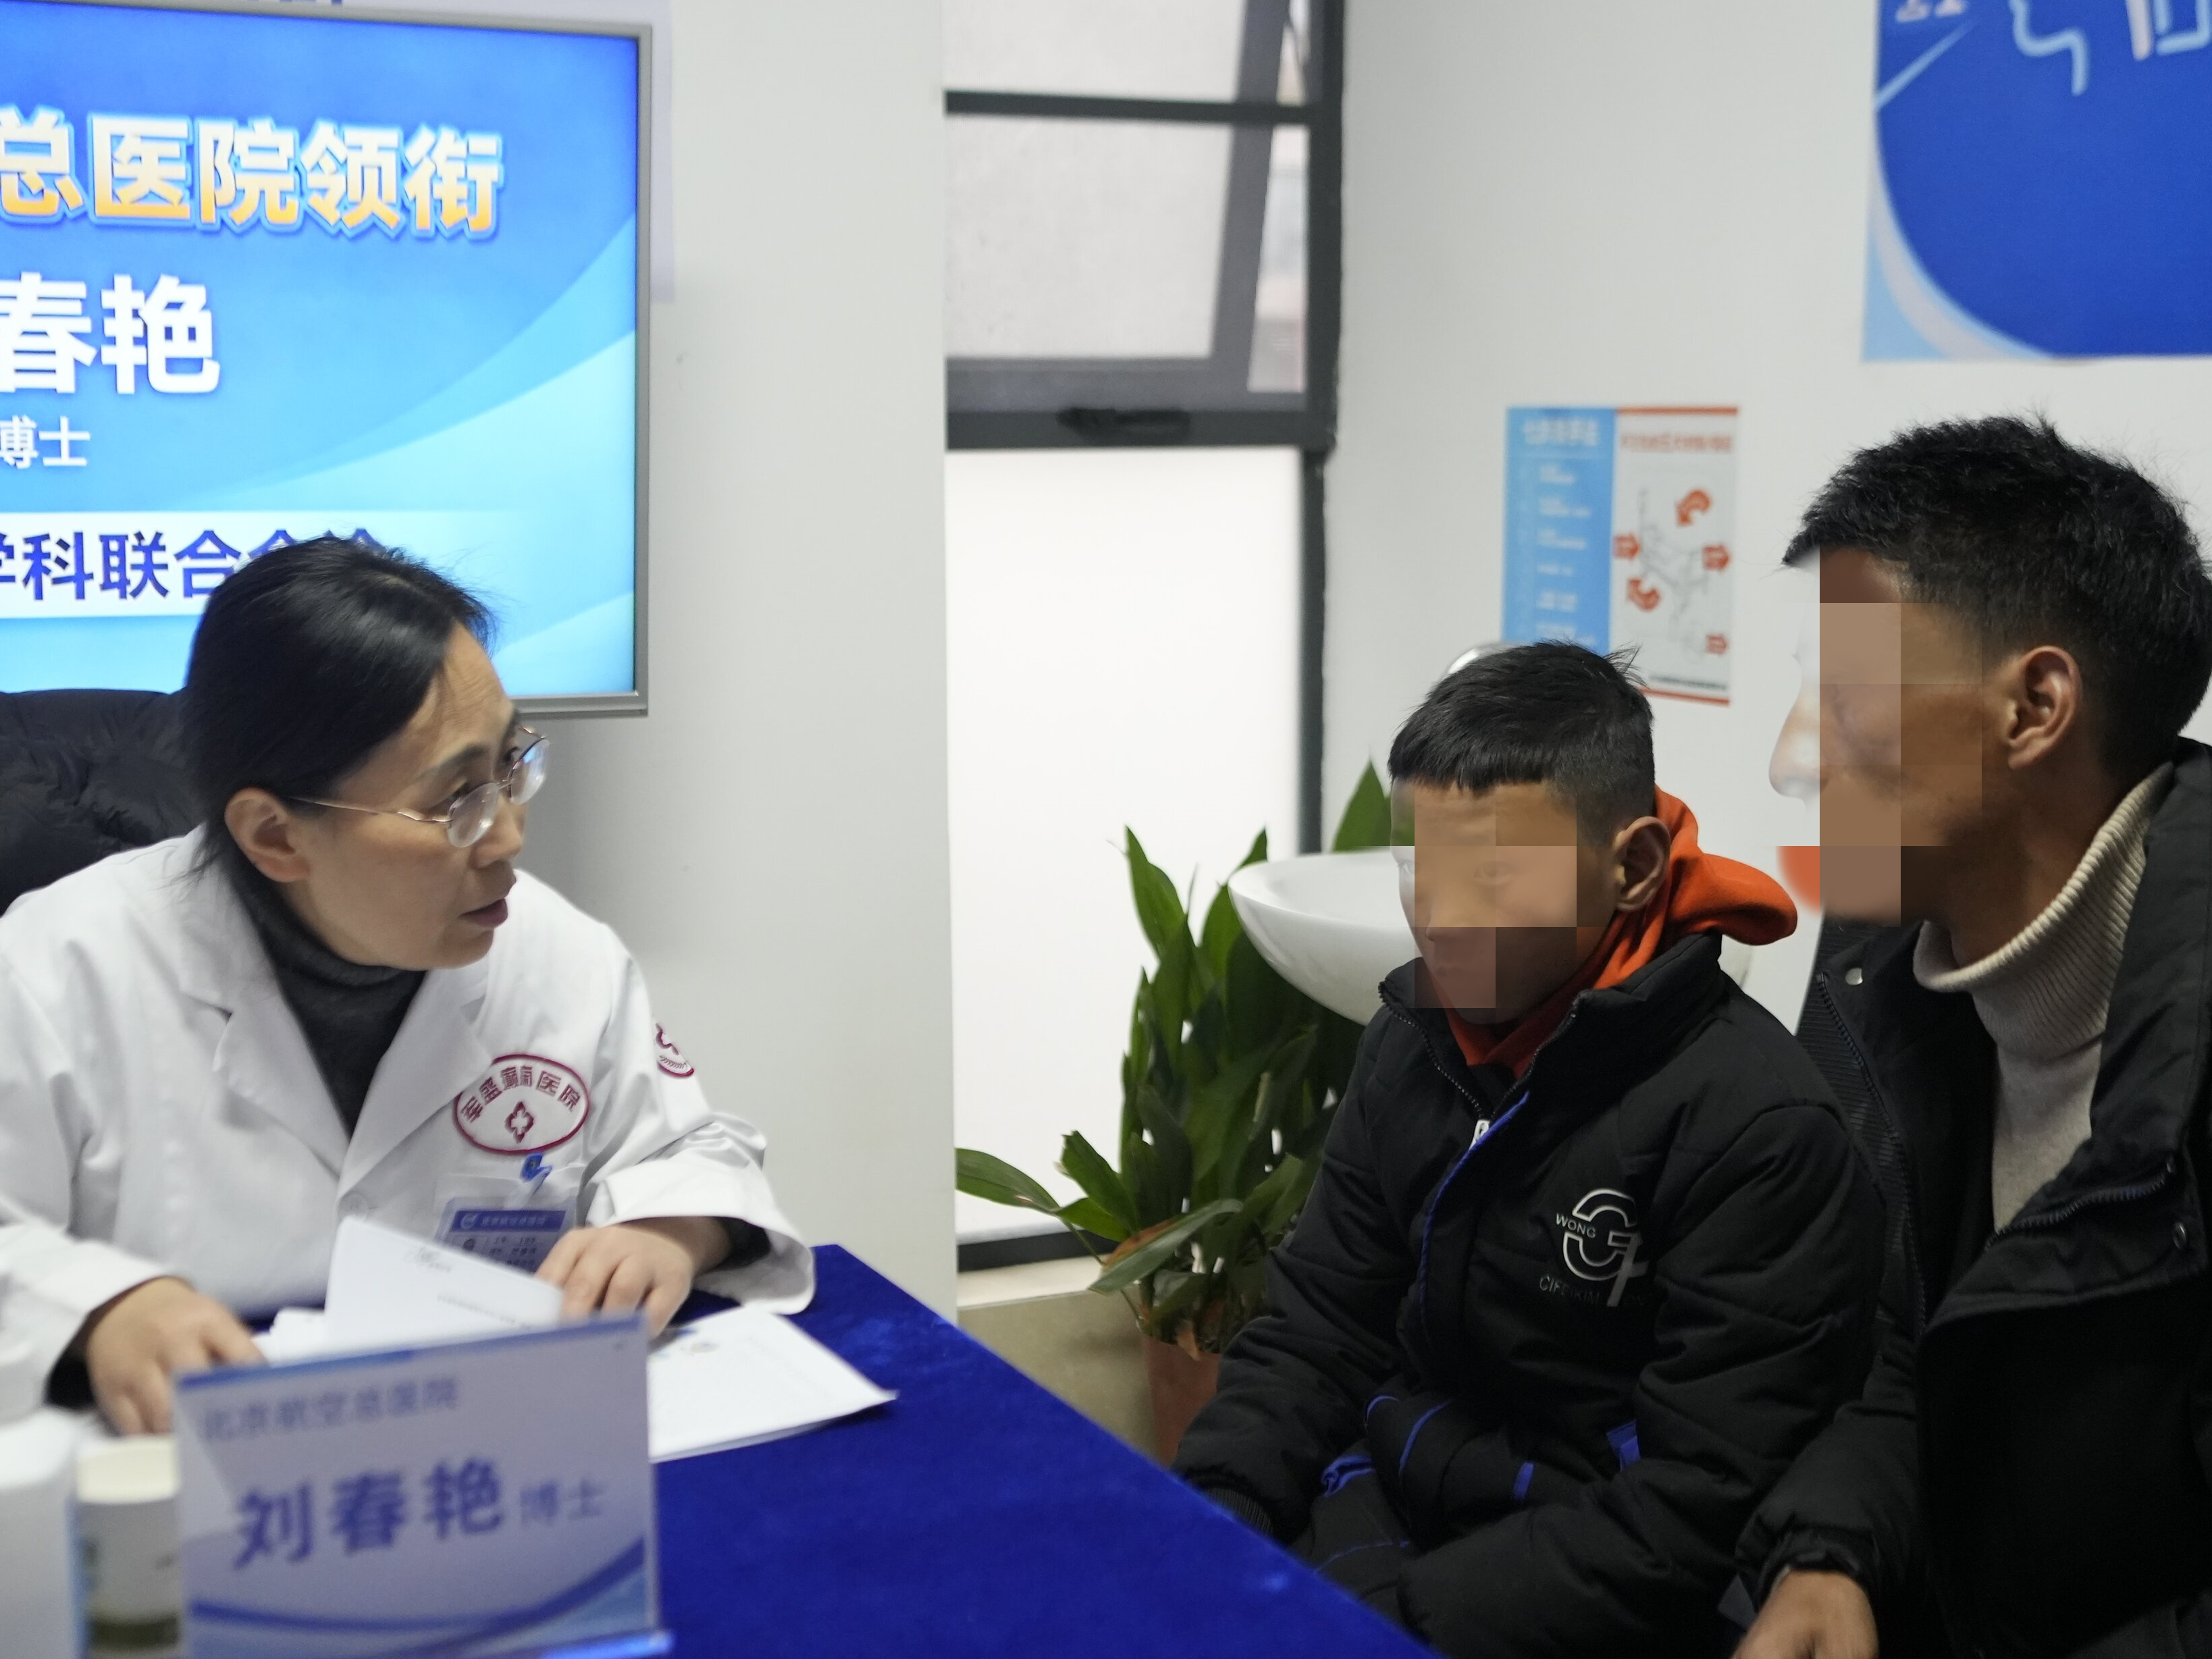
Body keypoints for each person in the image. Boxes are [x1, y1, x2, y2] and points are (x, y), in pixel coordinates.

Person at [0, 537, 808, 1436]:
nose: (509, 836)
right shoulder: (54, 967)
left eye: (512, 765)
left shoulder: (557, 952)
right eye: (455, 801)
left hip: (484, 1443)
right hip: (187, 1458)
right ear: (275, 835)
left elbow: (691, 1149)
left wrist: (669, 1232)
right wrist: (102, 1307)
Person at [1173, 641, 1882, 1658]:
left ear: (1632, 867)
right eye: (1420, 869)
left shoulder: (1756, 1127)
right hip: (1395, 1501)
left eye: (1495, 875)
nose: (1441, 918)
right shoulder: (1413, 1042)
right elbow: (1320, 1329)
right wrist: (1209, 1518)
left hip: (1585, 1581)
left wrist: (1385, 1622)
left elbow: (1694, 1506)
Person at [1735, 417, 2212, 1659]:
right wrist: (1832, 1550)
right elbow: (1915, 1342)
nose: (1793, 758)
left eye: (1847, 697)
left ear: (2035, 706)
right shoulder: (1879, 960)